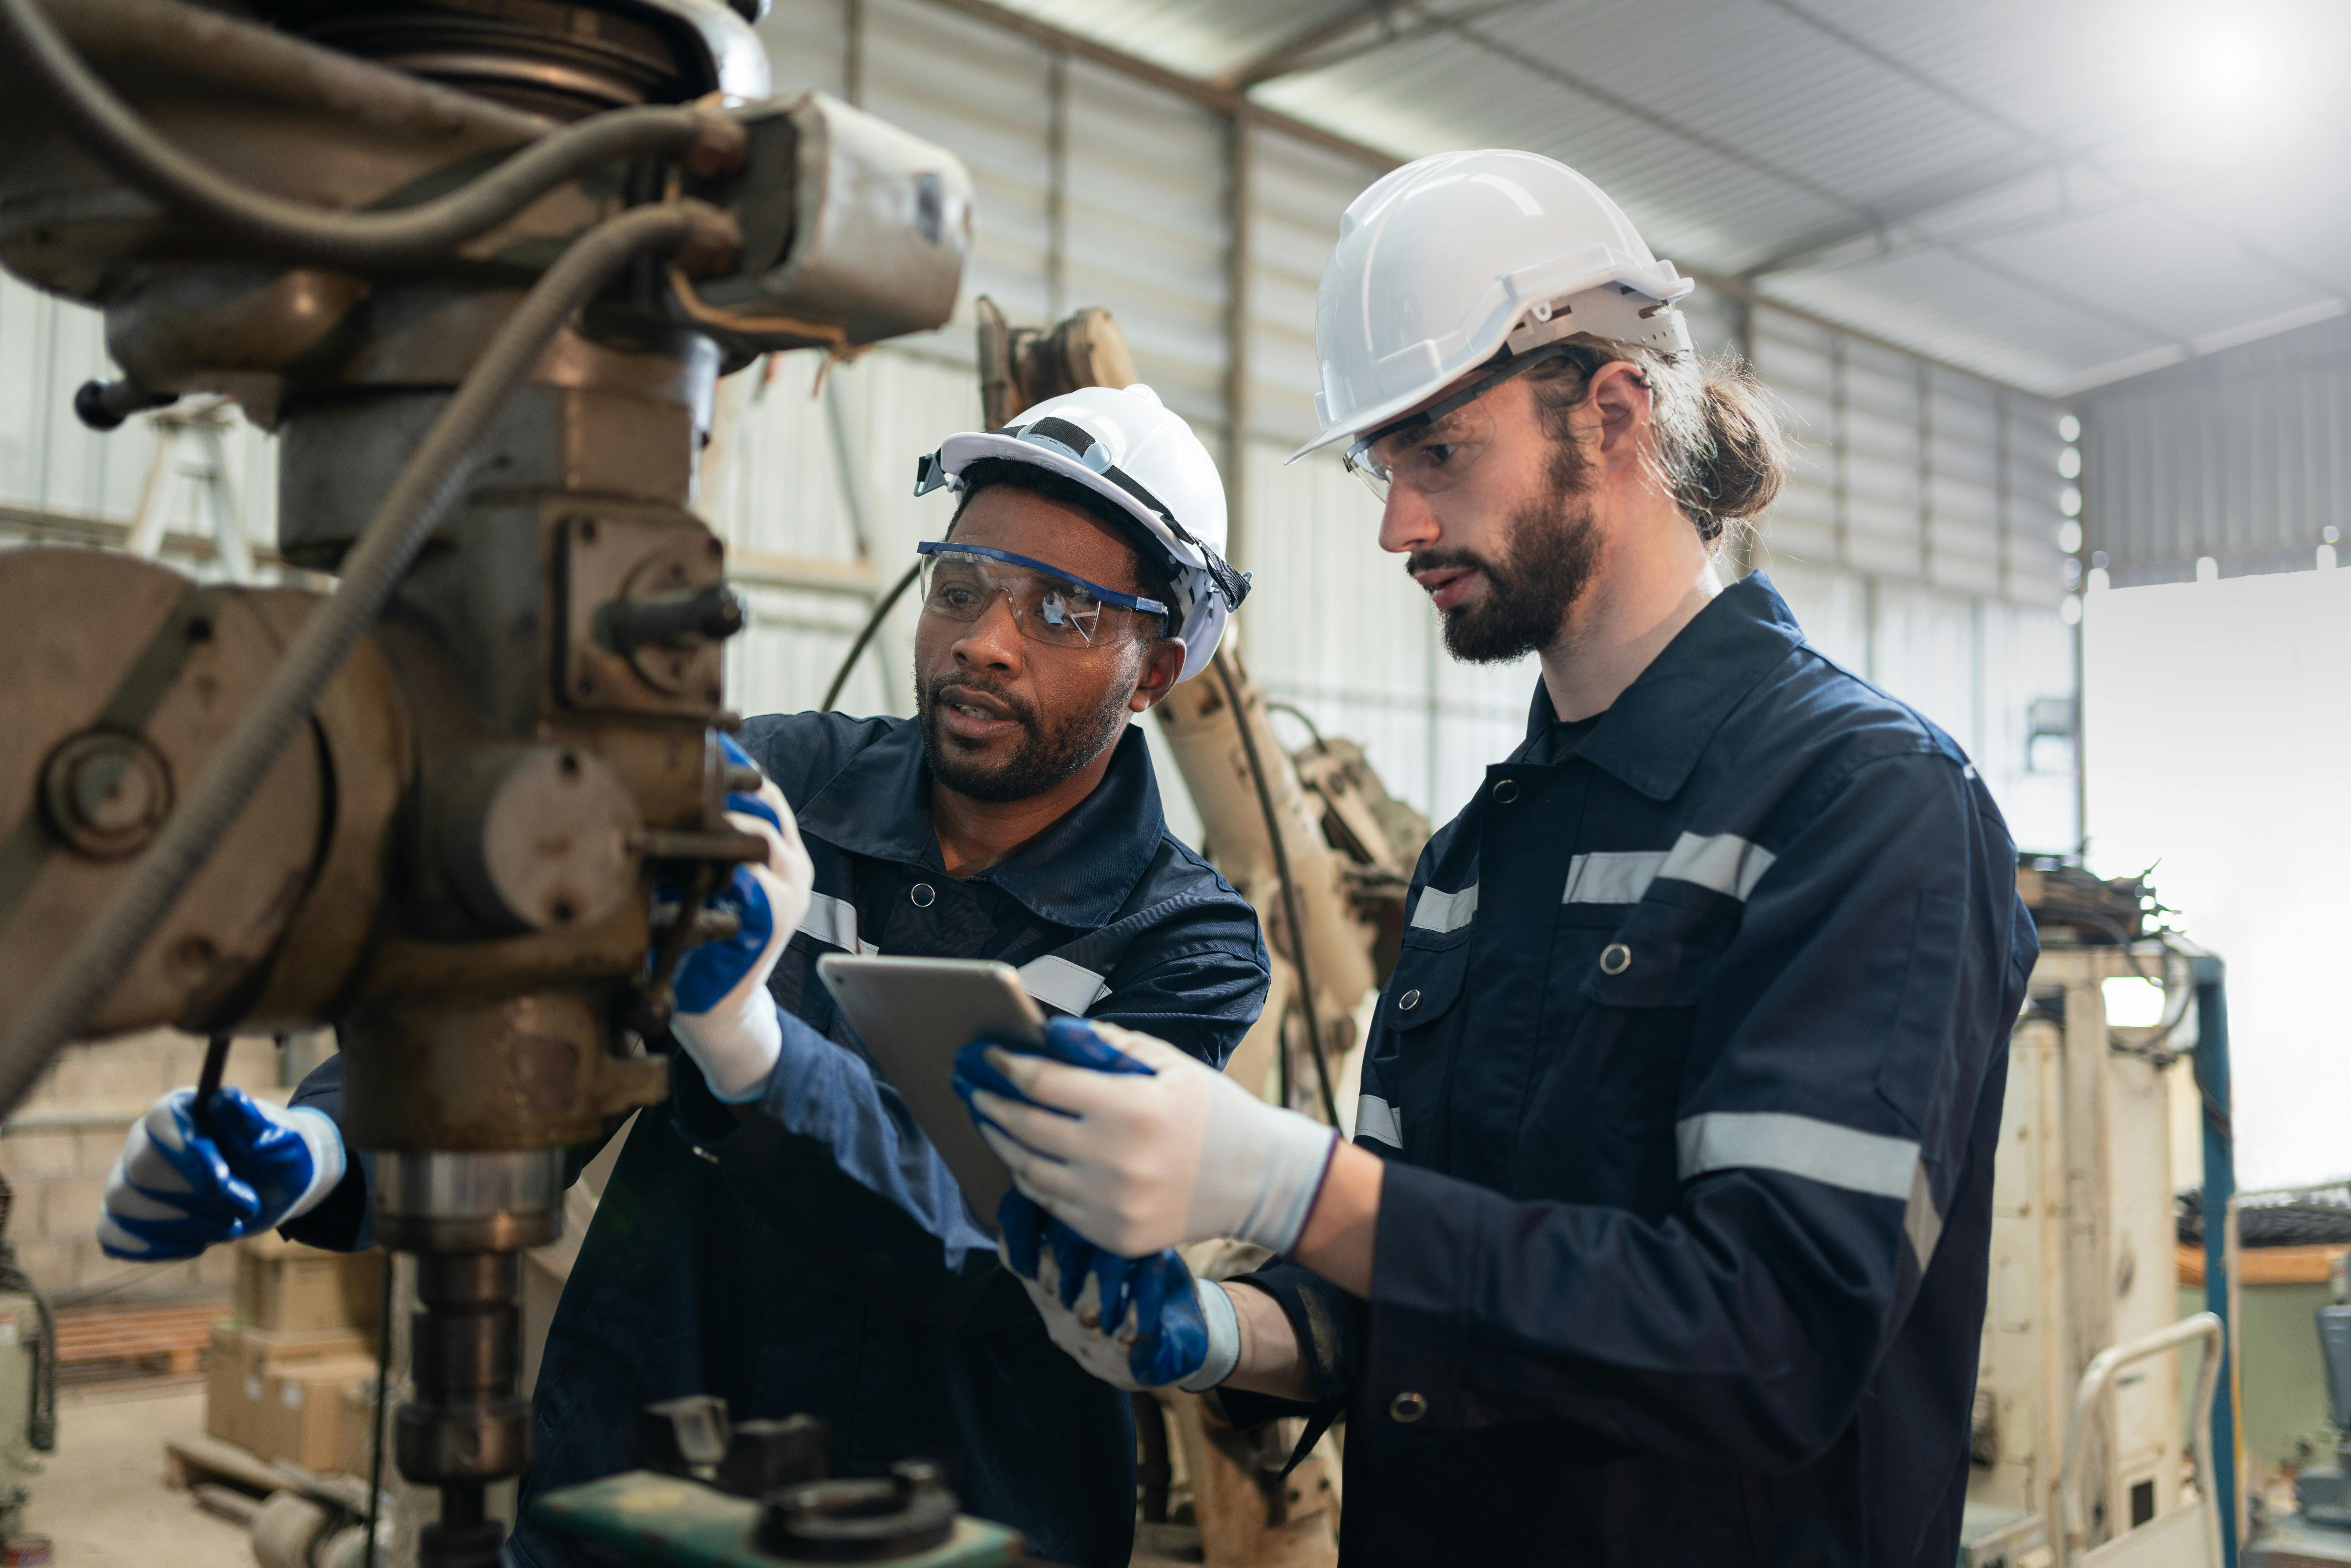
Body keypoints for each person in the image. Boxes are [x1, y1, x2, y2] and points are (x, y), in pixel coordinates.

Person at [957, 151, 2037, 1567]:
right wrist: (1230, 1332)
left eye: (1437, 453)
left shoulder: (1860, 803)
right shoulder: (1478, 852)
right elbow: (1417, 1273)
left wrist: (1293, 1181)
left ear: (1612, 413)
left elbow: (1766, 1348)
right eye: (1380, 466)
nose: (1396, 523)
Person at [95, 382, 1271, 1568]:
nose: (981, 640)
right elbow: (542, 1006)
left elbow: (993, 1246)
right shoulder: (780, 782)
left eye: (1063, 611)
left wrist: (749, 1047)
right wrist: (326, 1146)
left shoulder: (1182, 946)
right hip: (631, 1505)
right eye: (959, 586)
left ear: (1157, 666)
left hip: (966, 1526)